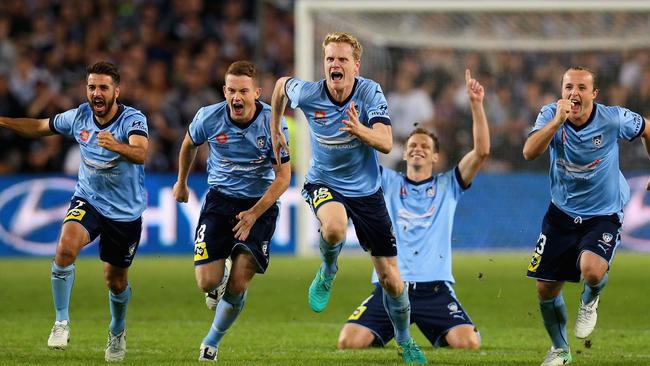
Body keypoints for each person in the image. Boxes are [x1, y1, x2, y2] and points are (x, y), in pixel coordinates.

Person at [270, 32, 427, 364]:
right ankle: (329, 269)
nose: (334, 64)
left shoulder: (369, 92)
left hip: (367, 193)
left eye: (342, 59)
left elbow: (385, 142)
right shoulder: (310, 93)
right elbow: (282, 85)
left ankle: (403, 341)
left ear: (356, 65)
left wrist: (361, 131)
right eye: (329, 59)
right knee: (335, 229)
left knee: (392, 280)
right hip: (323, 182)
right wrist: (275, 130)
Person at [0, 61, 149, 362]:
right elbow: (40, 127)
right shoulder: (79, 116)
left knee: (115, 281)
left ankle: (117, 331)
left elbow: (141, 152)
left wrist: (117, 146)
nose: (97, 92)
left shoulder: (132, 119)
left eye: (103, 87)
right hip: (89, 200)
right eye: (92, 86)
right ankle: (61, 322)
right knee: (65, 249)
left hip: (123, 213)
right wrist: (3, 121)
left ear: (116, 91)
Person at [337, 69, 488, 352]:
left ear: (435, 156)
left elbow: (481, 152)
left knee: (468, 344)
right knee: (348, 342)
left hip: (434, 291)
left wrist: (477, 105)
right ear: (404, 154)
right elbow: (353, 159)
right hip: (392, 288)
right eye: (412, 145)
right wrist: (357, 125)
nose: (417, 149)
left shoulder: (449, 185)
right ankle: (394, 331)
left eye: (424, 146)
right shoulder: (386, 181)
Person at [523, 66, 650, 366]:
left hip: (603, 212)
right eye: (568, 87)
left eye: (581, 88)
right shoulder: (550, 115)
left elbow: (647, 127)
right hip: (562, 212)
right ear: (562, 90)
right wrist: (556, 123)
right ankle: (560, 350)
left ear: (594, 94)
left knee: (592, 269)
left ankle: (589, 298)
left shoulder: (613, 118)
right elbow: (529, 152)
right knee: (545, 288)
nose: (573, 94)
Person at [173, 61, 291, 362]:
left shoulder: (273, 124)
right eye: (231, 91)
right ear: (224, 91)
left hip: (259, 204)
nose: (237, 98)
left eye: (243, 91)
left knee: (240, 280)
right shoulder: (209, 117)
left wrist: (253, 213)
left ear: (257, 93)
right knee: (207, 283)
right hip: (219, 201)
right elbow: (189, 145)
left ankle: (211, 342)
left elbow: (283, 178)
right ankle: (220, 276)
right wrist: (182, 182)